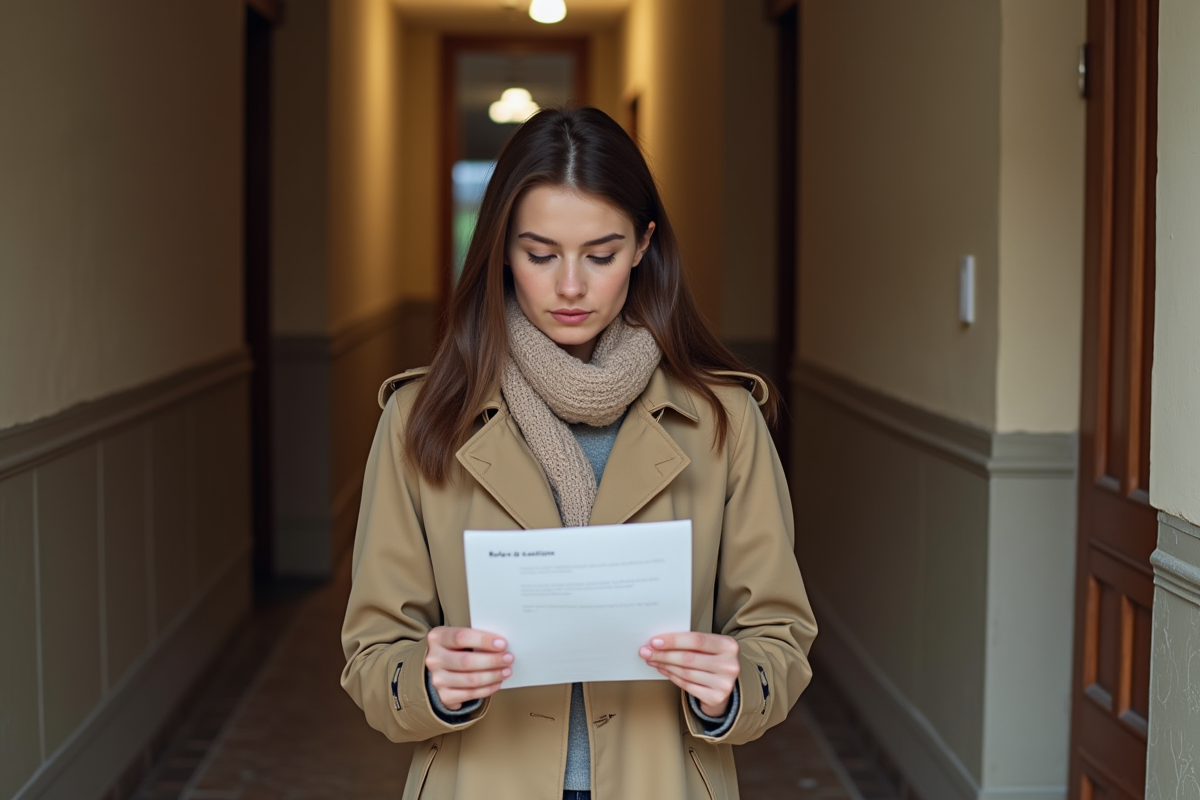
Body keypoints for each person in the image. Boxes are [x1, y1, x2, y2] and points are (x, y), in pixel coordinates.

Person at [340, 106, 816, 800]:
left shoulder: (725, 419)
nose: (570, 286)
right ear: (501, 248)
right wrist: (428, 680)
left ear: (644, 245)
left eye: (601, 254)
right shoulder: (420, 419)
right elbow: (372, 654)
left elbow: (779, 633)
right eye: (540, 254)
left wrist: (735, 683)